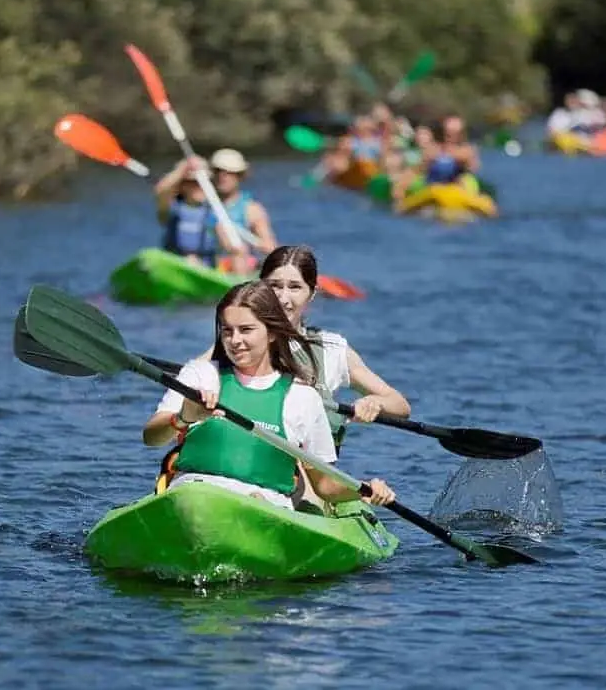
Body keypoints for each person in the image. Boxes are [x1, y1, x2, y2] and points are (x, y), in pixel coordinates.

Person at [142, 281, 396, 510]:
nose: (234, 340)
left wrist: (363, 489)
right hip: (192, 493)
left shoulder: (303, 397)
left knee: (255, 502)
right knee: (195, 498)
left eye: (246, 330)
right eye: (227, 331)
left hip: (263, 505)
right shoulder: (199, 375)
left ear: (272, 333)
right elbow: (152, 438)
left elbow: (325, 487)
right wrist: (183, 417)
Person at [260, 245, 411, 453]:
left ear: (311, 293)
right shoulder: (239, 340)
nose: (283, 298)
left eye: (295, 287)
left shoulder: (331, 348)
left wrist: (372, 402)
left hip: (310, 472)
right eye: (275, 286)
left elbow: (399, 404)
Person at [151, 156, 243, 268]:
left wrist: (236, 250)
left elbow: (228, 243)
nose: (198, 187)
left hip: (204, 271)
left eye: (202, 183)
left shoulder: (214, 211)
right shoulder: (172, 208)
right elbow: (161, 190)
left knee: (239, 254)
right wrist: (183, 169)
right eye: (192, 183)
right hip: (176, 266)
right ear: (182, 185)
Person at [209, 148, 277, 275]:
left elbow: (269, 245)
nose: (222, 176)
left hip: (237, 265)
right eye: (218, 171)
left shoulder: (252, 210)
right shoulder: (200, 202)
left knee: (238, 253)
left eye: (229, 172)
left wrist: (265, 246)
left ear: (240, 176)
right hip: (207, 263)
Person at [423, 115, 481, 188]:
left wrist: (460, 159)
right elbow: (424, 164)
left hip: (457, 188)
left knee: (467, 180)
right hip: (434, 187)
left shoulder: (468, 150)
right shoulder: (433, 148)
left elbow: (473, 167)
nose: (451, 136)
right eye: (448, 133)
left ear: (461, 134)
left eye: (455, 133)